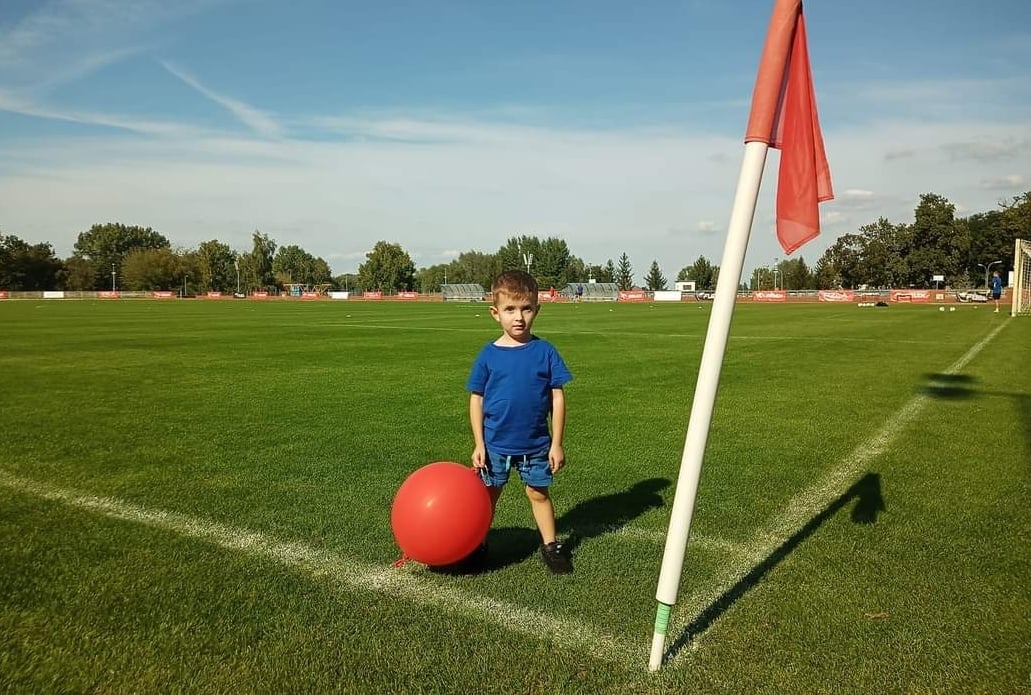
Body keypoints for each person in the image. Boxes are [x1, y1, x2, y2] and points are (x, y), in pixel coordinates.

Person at [467, 270, 574, 574]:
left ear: (537, 310)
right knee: (487, 497)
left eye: (526, 309)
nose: (519, 317)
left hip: (536, 445)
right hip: (495, 446)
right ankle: (476, 543)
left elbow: (558, 398)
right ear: (495, 313)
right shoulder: (488, 355)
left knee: (538, 493)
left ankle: (551, 547)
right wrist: (479, 443)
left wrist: (556, 443)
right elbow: (476, 398)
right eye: (510, 309)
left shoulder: (545, 351)